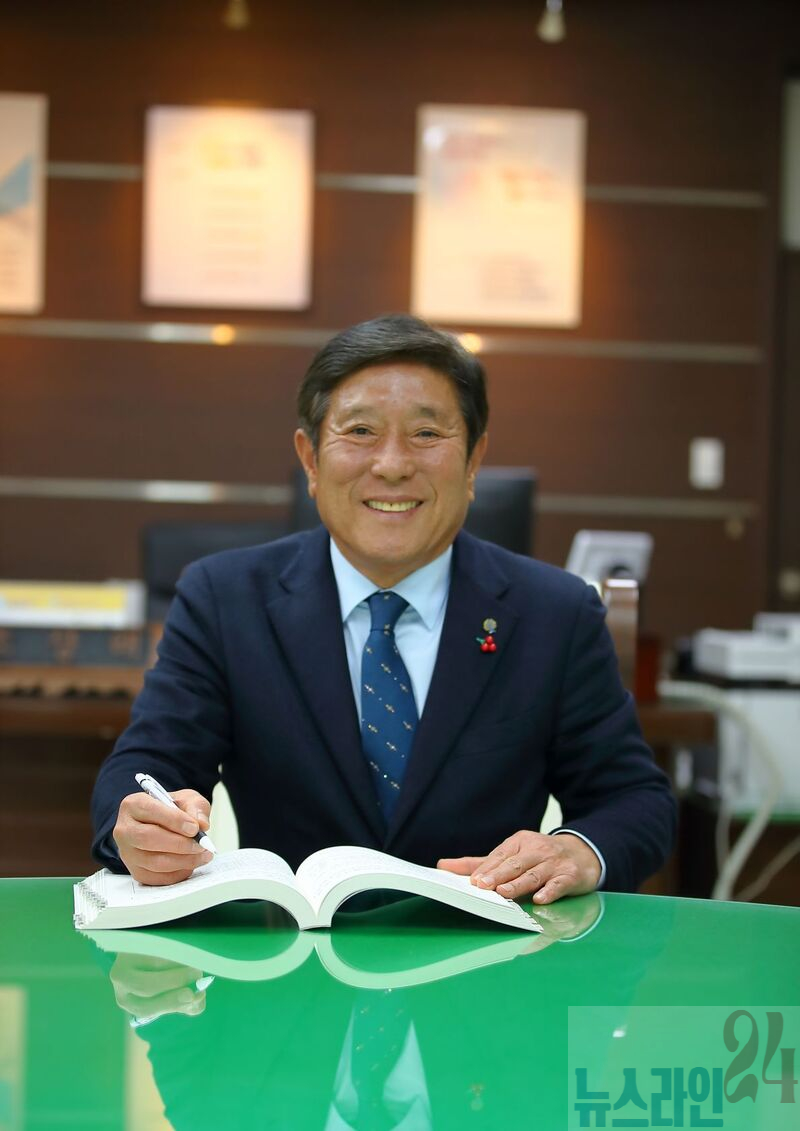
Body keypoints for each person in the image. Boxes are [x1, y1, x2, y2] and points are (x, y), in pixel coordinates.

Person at [91, 313, 675, 903]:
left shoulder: (555, 612)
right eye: (361, 431)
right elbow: (148, 763)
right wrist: (140, 823)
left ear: (473, 460)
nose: (393, 464)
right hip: (292, 950)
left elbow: (633, 799)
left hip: (487, 950)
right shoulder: (224, 598)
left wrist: (578, 850)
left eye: (426, 433)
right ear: (311, 460)